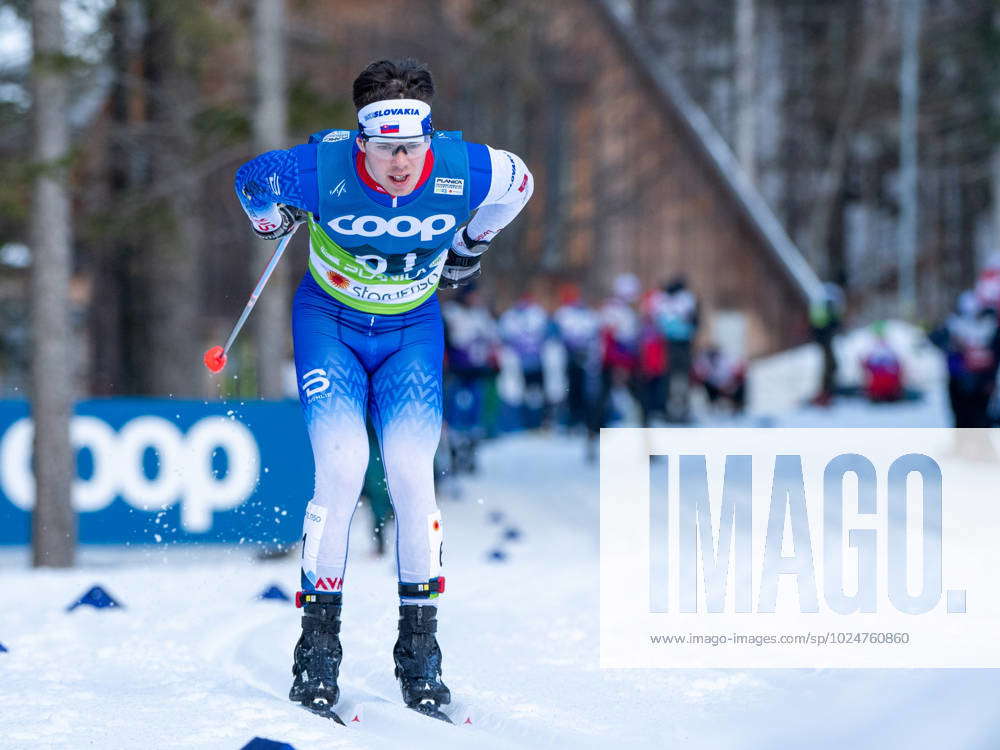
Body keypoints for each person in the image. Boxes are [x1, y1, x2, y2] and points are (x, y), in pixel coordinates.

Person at [234, 58, 533, 722]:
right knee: (340, 471)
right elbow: (251, 179)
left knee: (408, 472)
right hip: (330, 326)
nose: (400, 163)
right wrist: (270, 222)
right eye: (385, 148)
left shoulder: (464, 169)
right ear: (360, 140)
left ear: (429, 138)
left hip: (410, 334)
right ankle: (317, 653)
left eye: (412, 147)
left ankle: (420, 655)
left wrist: (472, 242)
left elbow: (521, 182)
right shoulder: (324, 168)